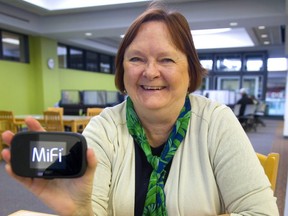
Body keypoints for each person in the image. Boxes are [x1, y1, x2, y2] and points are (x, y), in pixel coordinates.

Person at [1, 2, 279, 216]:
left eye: (166, 59)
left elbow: (262, 212)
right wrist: (80, 211)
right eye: (136, 59)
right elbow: (90, 209)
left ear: (190, 71)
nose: (150, 72)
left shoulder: (217, 123)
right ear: (122, 71)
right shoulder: (104, 128)